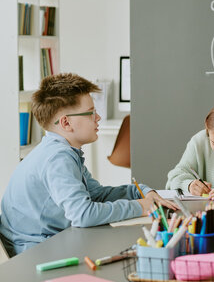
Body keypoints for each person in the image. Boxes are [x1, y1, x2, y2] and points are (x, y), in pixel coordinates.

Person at [0, 73, 175, 256]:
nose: (98, 117)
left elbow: (97, 195)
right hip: (31, 254)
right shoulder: (57, 158)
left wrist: (142, 192)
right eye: (91, 112)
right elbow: (83, 215)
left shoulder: (65, 151)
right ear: (66, 123)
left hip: (48, 242)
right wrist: (141, 206)